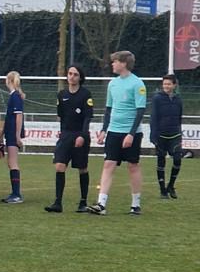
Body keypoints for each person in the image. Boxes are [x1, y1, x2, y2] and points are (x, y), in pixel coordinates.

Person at [87, 50, 148, 216]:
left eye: (115, 61)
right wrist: (103, 130)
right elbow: (108, 109)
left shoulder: (138, 84)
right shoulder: (112, 84)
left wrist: (131, 134)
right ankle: (101, 204)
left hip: (130, 133)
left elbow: (140, 111)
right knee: (108, 164)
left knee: (133, 166)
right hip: (113, 131)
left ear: (124, 63)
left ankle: (135, 205)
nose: (112, 64)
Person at [45, 66, 93, 213]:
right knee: (59, 166)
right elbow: (61, 116)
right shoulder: (62, 95)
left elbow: (87, 117)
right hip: (66, 135)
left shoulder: (86, 94)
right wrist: (62, 133)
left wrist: (82, 136)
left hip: (80, 135)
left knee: (82, 168)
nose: (71, 77)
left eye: (75, 74)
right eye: (70, 74)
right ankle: (57, 203)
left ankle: (83, 202)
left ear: (80, 77)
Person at [151, 73, 183, 200]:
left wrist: (179, 131)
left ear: (174, 85)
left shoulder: (178, 99)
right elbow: (154, 117)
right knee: (161, 161)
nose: (166, 86)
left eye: (169, 84)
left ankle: (171, 185)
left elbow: (180, 116)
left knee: (177, 159)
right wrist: (153, 135)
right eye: (164, 84)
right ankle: (162, 189)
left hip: (175, 134)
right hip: (161, 135)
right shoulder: (157, 98)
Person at [0, 71, 26, 203]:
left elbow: (19, 116)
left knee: (13, 162)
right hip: (10, 133)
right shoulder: (13, 96)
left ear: (8, 80)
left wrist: (17, 135)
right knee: (11, 162)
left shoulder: (15, 96)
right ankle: (15, 193)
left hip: (12, 134)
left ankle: (16, 194)